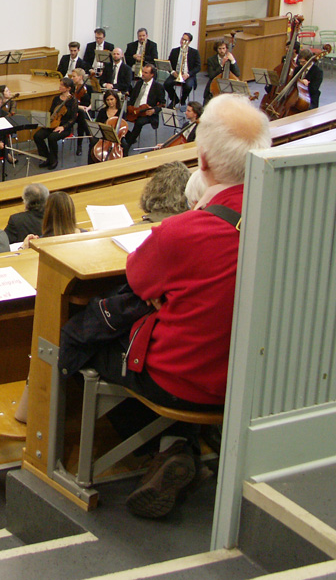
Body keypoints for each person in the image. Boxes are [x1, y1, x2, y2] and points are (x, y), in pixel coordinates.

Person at [76, 94, 271, 518]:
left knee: (80, 339)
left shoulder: (184, 231)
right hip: (254, 378)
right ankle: (177, 450)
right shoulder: (284, 216)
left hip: (184, 381)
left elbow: (138, 278)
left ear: (201, 163)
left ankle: (154, 451)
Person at [33, 77, 78, 171]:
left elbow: (73, 118)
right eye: (60, 84)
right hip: (53, 123)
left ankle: (54, 160)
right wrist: (47, 121)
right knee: (37, 136)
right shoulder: (56, 98)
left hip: (64, 126)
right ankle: (45, 157)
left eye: (62, 85)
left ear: (68, 88)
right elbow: (51, 112)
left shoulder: (73, 100)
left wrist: (63, 127)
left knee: (52, 137)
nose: (60, 86)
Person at [125, 64, 166, 153]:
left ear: (152, 75)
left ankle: (128, 144)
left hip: (147, 113)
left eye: (145, 72)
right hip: (135, 109)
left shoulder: (158, 87)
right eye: (143, 71)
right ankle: (130, 137)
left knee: (139, 122)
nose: (142, 74)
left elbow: (163, 104)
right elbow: (132, 98)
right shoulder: (139, 83)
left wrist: (154, 110)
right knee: (118, 116)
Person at [164, 33, 201, 108]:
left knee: (188, 86)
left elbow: (198, 67)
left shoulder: (194, 52)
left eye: (186, 40)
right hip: (176, 74)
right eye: (182, 39)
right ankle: (174, 99)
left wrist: (188, 74)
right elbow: (169, 64)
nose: (183, 41)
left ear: (189, 42)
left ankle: (183, 99)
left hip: (188, 75)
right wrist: (173, 72)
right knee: (166, 84)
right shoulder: (174, 51)